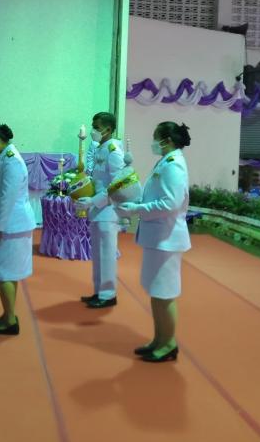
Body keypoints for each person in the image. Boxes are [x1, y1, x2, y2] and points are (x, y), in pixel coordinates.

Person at [117, 121, 191, 363]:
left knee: (164, 294)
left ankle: (169, 344)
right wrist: (136, 201)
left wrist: (137, 209)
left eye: (155, 137)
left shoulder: (174, 165)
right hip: (158, 237)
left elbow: (170, 203)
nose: (153, 142)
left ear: (167, 140)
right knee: (156, 292)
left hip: (167, 238)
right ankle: (159, 339)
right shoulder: (166, 161)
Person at [0, 122, 35, 335]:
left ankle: (10, 320)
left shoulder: (11, 161)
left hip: (13, 225)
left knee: (4, 274)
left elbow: (7, 199)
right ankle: (8, 314)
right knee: (10, 272)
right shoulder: (7, 157)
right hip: (15, 223)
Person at [75, 112, 125, 308]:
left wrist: (94, 200)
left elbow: (117, 184)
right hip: (97, 208)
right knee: (97, 254)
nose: (93, 130)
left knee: (107, 254)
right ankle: (98, 291)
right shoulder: (100, 148)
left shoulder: (114, 151)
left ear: (108, 129)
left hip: (108, 209)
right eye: (93, 126)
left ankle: (108, 294)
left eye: (97, 127)